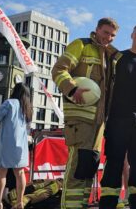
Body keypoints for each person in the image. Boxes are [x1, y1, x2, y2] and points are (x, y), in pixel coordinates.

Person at [52, 17, 120, 208]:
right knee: (76, 168)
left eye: (113, 35)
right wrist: (72, 89)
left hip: (99, 122)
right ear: (97, 30)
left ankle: (80, 204)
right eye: (106, 32)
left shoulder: (111, 56)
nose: (109, 38)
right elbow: (58, 70)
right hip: (80, 118)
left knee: (88, 167)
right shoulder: (81, 45)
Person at [99, 25, 136, 209]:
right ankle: (108, 203)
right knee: (114, 163)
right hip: (117, 119)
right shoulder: (119, 58)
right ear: (132, 35)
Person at [0, 83, 33, 209]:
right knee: (20, 173)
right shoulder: (27, 107)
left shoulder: (9, 102)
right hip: (21, 144)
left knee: (1, 174)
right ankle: (20, 202)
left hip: (6, 143)